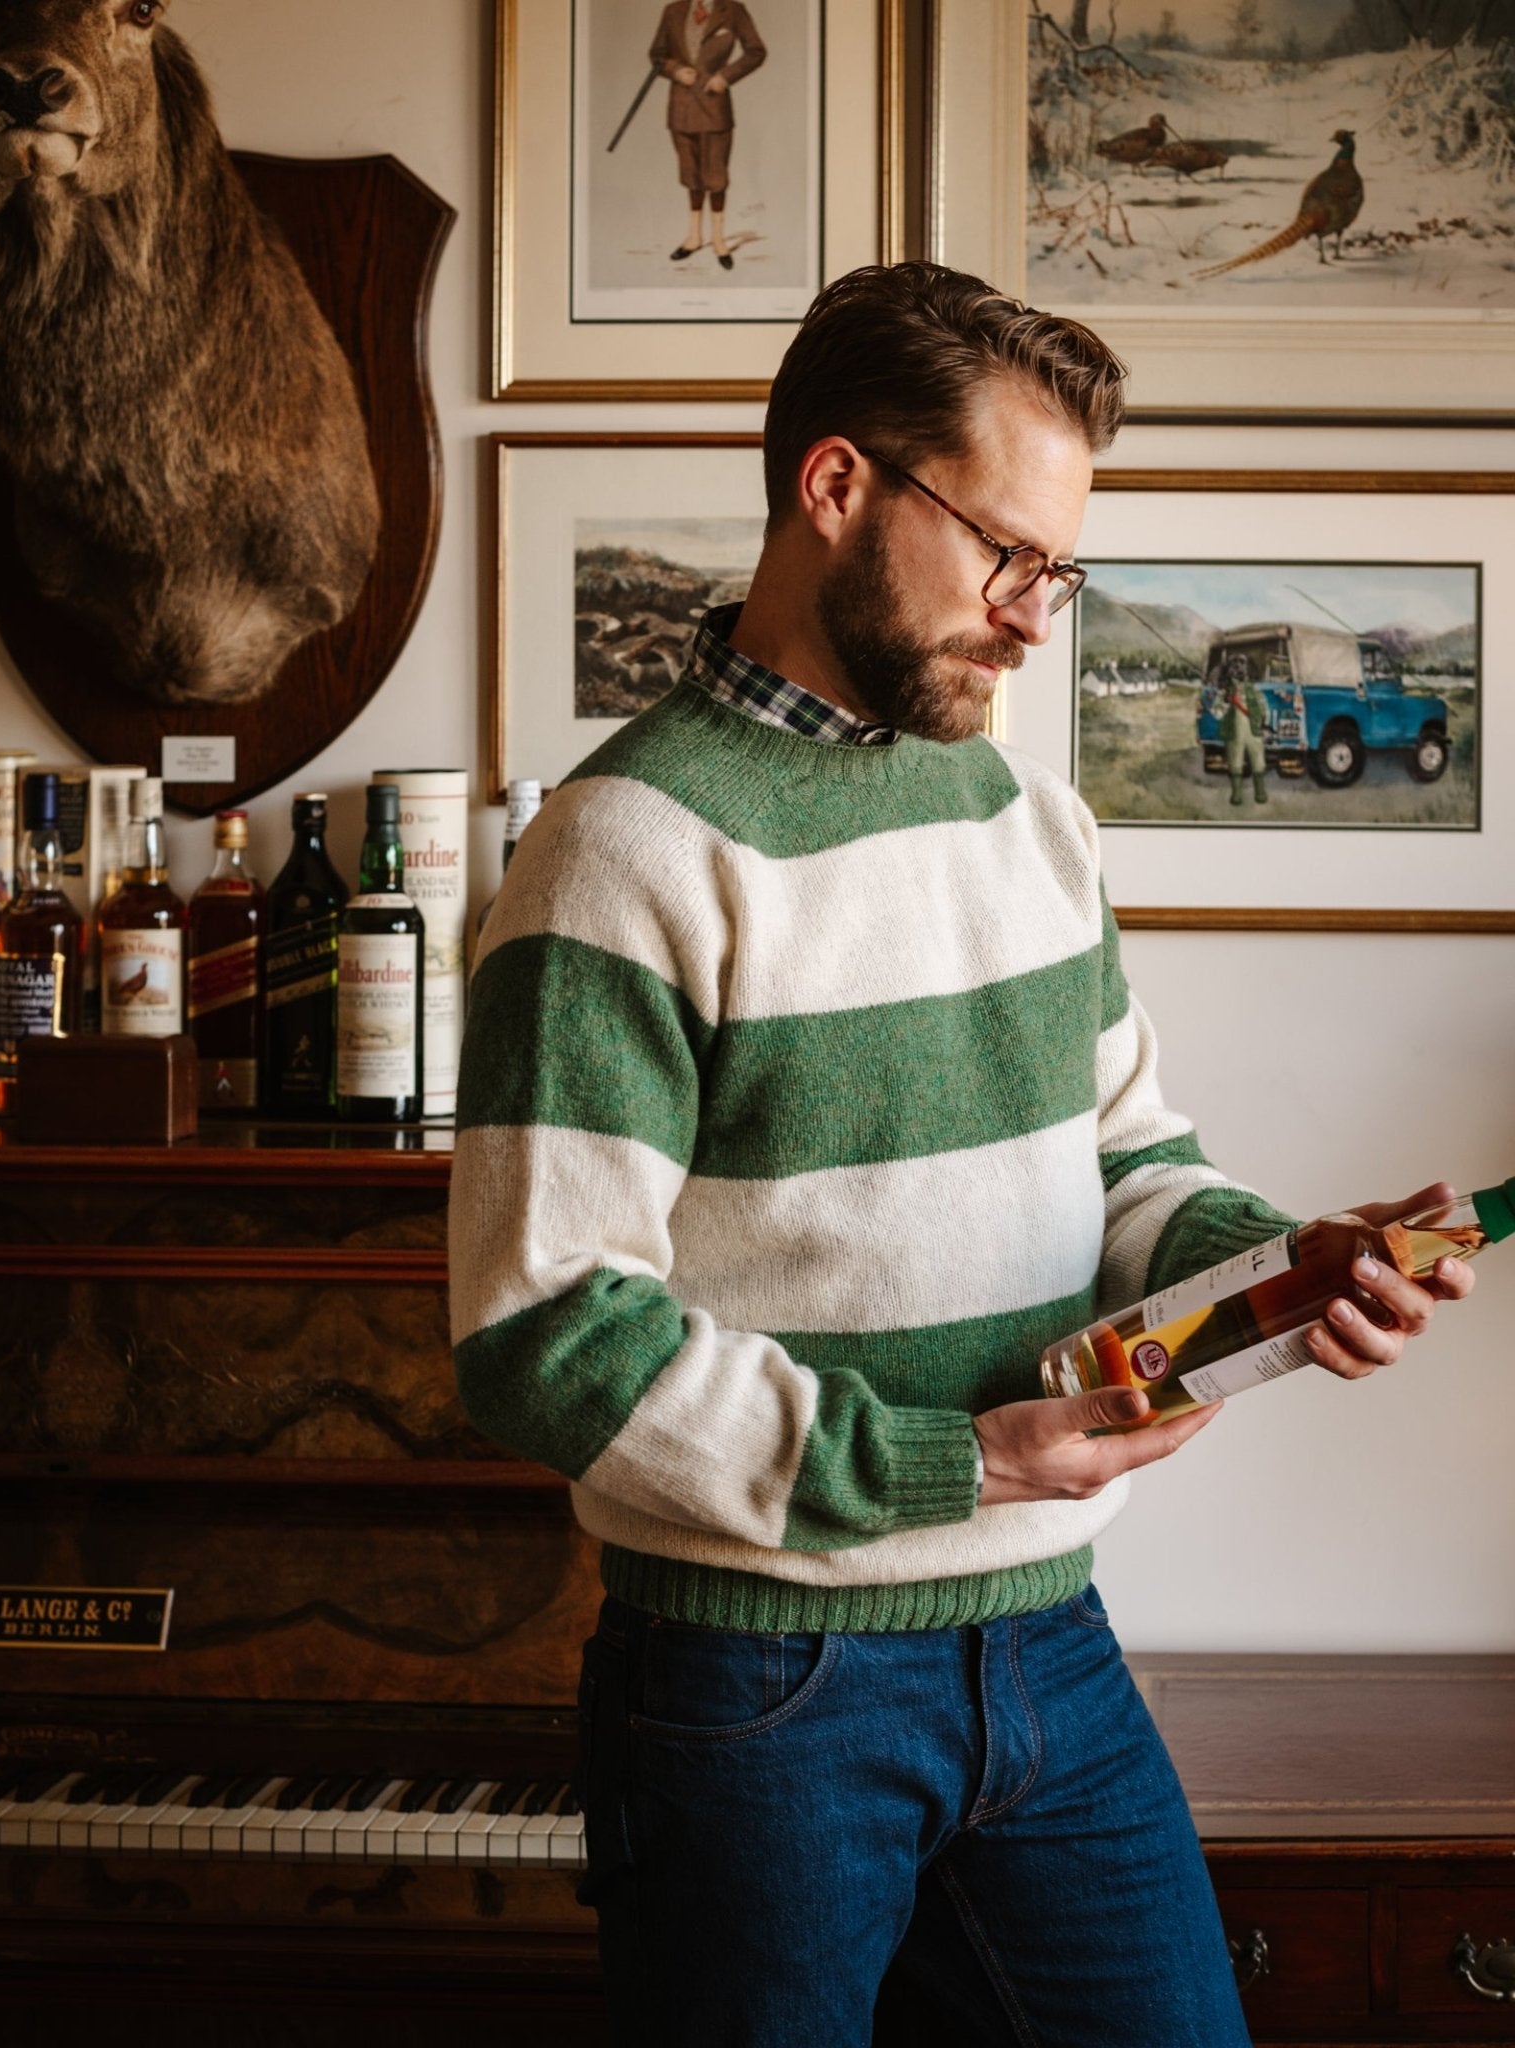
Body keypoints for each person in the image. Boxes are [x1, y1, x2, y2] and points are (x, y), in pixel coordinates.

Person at [448, 262, 1473, 2048]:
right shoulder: (617, 855)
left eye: (1058, 570)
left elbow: (1130, 1165)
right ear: (837, 487)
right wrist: (950, 1458)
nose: (1033, 618)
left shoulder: (1030, 820)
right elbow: (547, 1331)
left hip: (1052, 1644)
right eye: (1006, 553)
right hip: (756, 1683)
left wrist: (1281, 1268)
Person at [648, 0, 766, 270]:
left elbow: (756, 51)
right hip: (681, 109)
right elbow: (657, 54)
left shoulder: (733, 10)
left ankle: (718, 238)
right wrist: (675, 70)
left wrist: (724, 77)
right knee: (691, 175)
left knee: (716, 176)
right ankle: (693, 237)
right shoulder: (674, 11)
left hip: (715, 109)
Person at [1221, 649, 1270, 806]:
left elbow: (1263, 708)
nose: (1237, 667)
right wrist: (1226, 700)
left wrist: (1264, 723)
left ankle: (1260, 793)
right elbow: (1217, 712)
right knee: (1235, 764)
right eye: (1234, 664)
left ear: (1247, 668)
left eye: (1241, 663)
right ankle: (1236, 795)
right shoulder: (1225, 692)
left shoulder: (1253, 689)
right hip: (1233, 732)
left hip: (1253, 731)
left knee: (1258, 762)